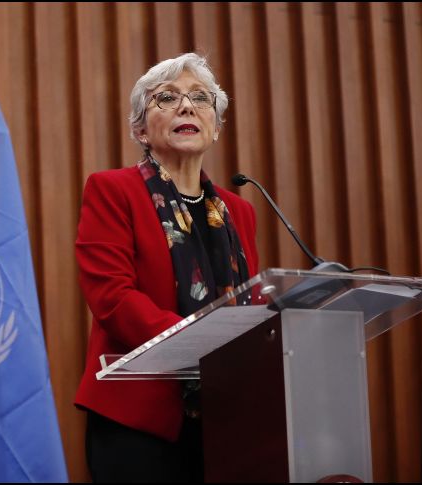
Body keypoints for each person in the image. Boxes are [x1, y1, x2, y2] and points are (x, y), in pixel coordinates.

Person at [74, 52, 260, 482]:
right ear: (141, 128)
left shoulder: (239, 211)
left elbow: (246, 305)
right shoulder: (113, 190)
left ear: (215, 126)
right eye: (167, 98)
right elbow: (113, 300)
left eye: (201, 98)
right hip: (138, 420)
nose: (187, 106)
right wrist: (206, 344)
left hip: (224, 419)